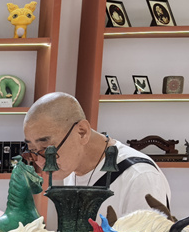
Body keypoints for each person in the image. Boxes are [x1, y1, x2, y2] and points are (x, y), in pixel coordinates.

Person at [23, 92, 171, 217]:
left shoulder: (139, 177)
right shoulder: (70, 169)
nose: (41, 162)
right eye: (33, 151)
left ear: (82, 132)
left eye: (47, 149)